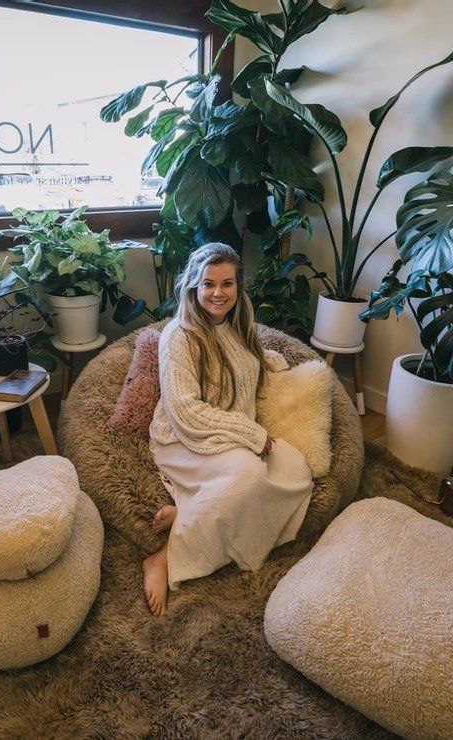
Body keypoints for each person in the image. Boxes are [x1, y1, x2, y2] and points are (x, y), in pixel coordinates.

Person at [143, 242, 314, 618]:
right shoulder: (179, 335)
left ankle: (193, 510)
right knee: (250, 476)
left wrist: (270, 360)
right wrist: (252, 435)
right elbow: (186, 411)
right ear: (193, 286)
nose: (218, 293)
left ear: (239, 286)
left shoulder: (239, 324)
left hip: (230, 435)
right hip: (184, 437)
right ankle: (166, 557)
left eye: (227, 284)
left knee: (296, 470)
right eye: (209, 284)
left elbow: (241, 361)